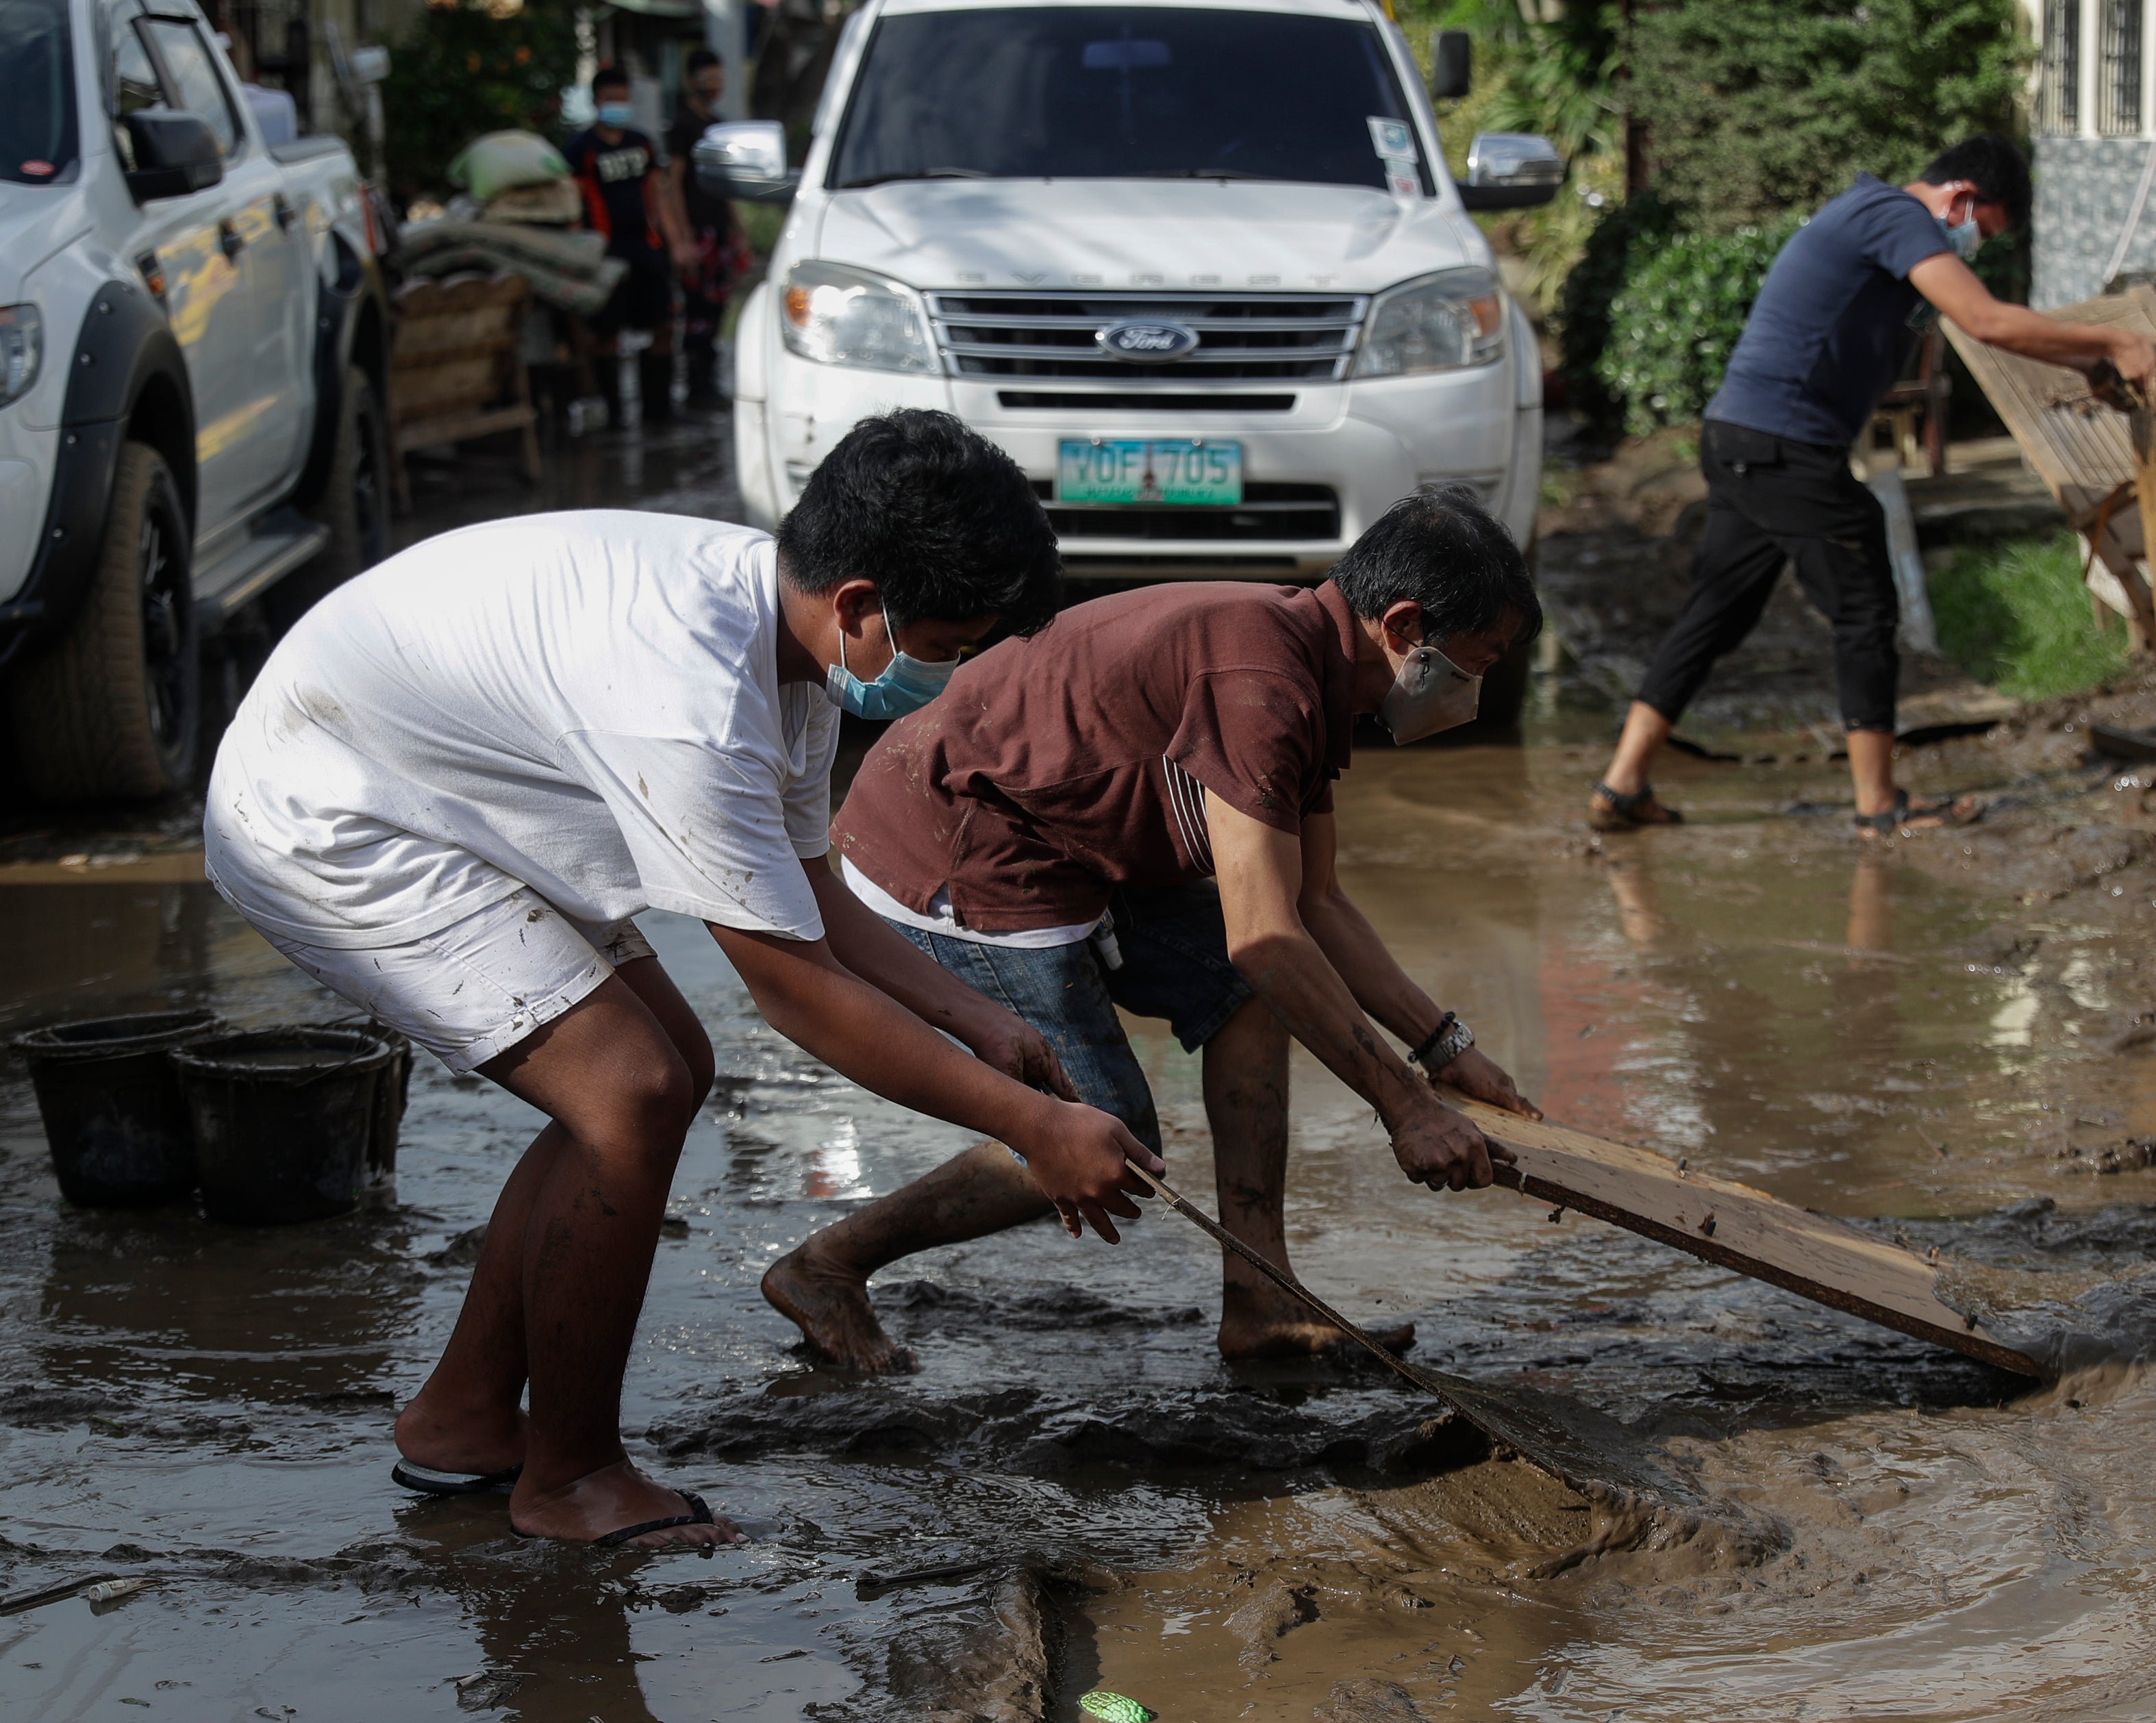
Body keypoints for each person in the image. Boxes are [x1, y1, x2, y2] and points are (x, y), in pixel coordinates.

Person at [202, 412, 1156, 1547]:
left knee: (662, 1070)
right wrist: (1031, 1125)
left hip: (430, 778)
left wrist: (976, 1017)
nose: (944, 677)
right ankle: (569, 1479)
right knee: (629, 1089)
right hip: (330, 809)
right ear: (859, 605)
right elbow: (791, 985)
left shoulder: (786, 657)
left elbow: (818, 906)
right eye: (945, 647)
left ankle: (463, 1415)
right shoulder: (693, 697)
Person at [763, 488, 1544, 1371]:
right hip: (954, 847)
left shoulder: (1308, 667)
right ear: (1404, 627)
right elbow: (1268, 933)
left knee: (1241, 992)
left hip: (1067, 844)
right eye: (1471, 664)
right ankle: (827, 1264)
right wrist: (1405, 1106)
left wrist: (1443, 1048)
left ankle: (1262, 1294)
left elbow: (1315, 903)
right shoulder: (1263, 680)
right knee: (1105, 1130)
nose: (1471, 692)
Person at [1585, 134, 2156, 839]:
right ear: (1961, 197)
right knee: (1865, 604)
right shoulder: (1895, 217)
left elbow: (1990, 330)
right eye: (1982, 230)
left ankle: (1621, 783)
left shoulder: (1875, 219)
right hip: (1783, 445)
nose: (1973, 245)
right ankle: (1878, 803)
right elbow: (1985, 322)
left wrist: (2084, 365)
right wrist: (2115, 341)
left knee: (1720, 611)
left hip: (1743, 436)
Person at [566, 66, 698, 424]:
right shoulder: (582, 150)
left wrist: (678, 245)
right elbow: (575, 208)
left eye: (623, 99)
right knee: (607, 336)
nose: (618, 105)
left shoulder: (641, 144)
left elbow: (661, 198)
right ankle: (615, 417)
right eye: (611, 99)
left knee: (664, 328)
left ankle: (659, 413)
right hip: (604, 255)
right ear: (595, 101)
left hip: (646, 248)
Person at [664, 47, 751, 412]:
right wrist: (682, 238)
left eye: (717, 79)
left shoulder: (716, 125)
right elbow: (672, 184)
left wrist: (737, 229)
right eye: (707, 79)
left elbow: (724, 184)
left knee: (715, 311)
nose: (713, 86)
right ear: (691, 81)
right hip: (698, 233)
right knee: (697, 311)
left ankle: (707, 384)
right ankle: (696, 387)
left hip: (718, 232)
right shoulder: (682, 126)